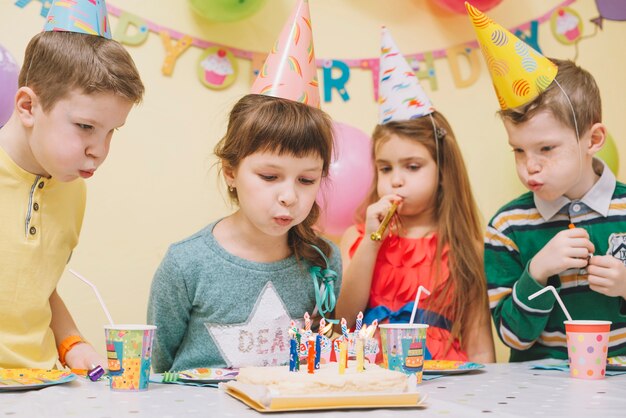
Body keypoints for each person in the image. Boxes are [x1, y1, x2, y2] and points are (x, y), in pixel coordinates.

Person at [147, 0, 341, 373]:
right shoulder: (186, 264)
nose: (289, 195)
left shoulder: (324, 261)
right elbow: (158, 369)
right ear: (230, 171)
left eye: (307, 179)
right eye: (269, 176)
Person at [467, 3, 626, 361]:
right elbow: (512, 339)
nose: (529, 167)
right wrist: (536, 272)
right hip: (536, 396)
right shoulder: (507, 227)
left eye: (546, 148)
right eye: (519, 151)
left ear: (593, 139)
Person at [335, 28, 494, 363]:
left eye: (412, 166)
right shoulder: (357, 238)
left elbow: (479, 341)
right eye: (386, 168)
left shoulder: (466, 246)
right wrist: (372, 242)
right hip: (369, 378)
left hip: (443, 381)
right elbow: (344, 322)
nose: (396, 181)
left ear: (442, 171)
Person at [0, 0, 144, 369]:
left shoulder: (73, 190)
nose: (99, 151)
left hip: (42, 382)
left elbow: (36, 289)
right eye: (85, 127)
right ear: (28, 106)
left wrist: (72, 343)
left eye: (112, 132)